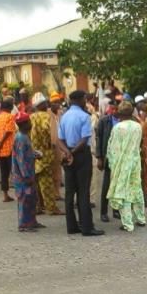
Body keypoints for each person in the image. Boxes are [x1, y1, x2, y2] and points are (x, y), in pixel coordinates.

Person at [57, 90, 104, 236]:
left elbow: (59, 139)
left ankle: (71, 226)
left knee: (70, 192)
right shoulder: (84, 116)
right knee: (83, 192)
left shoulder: (64, 117)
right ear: (79, 100)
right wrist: (73, 153)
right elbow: (84, 140)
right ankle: (87, 227)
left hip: (68, 155)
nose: (86, 101)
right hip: (81, 155)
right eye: (84, 98)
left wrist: (67, 152)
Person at [106, 101, 146, 232]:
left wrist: (112, 163)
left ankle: (128, 223)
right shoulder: (138, 126)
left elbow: (113, 148)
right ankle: (141, 218)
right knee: (136, 188)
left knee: (123, 192)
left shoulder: (117, 128)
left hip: (122, 163)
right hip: (135, 162)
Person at [30, 93, 64, 215]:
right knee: (47, 182)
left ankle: (39, 206)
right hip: (46, 153)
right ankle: (51, 208)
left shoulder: (31, 117)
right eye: (45, 103)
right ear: (43, 104)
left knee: (37, 182)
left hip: (34, 152)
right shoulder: (47, 117)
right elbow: (53, 137)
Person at [11, 112, 44, 232]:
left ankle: (32, 221)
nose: (31, 123)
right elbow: (21, 159)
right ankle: (23, 224)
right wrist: (27, 176)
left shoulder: (24, 136)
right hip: (23, 176)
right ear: (24, 124)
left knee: (32, 198)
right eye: (29, 121)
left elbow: (27, 153)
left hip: (29, 173)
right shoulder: (21, 138)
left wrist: (36, 154)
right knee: (24, 199)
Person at [96, 100, 121, 223]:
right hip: (108, 157)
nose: (115, 112)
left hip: (120, 158)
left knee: (117, 186)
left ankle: (116, 210)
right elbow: (99, 139)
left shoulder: (123, 121)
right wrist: (99, 157)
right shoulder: (104, 121)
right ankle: (103, 212)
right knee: (106, 186)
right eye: (113, 109)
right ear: (110, 109)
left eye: (117, 109)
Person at [0, 98, 17, 202]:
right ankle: (19, 194)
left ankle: (5, 195)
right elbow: (8, 132)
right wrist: (1, 144)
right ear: (9, 108)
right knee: (14, 172)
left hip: (0, 151)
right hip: (9, 149)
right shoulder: (10, 117)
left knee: (4, 173)